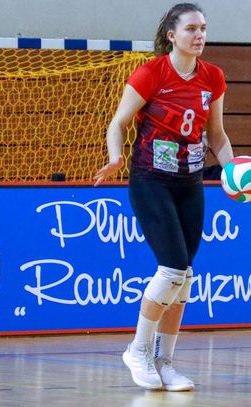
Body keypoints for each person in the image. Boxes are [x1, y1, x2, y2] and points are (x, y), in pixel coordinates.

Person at [93, 3, 233, 391]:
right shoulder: (151, 73)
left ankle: (164, 362)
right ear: (172, 35)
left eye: (203, 28)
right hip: (151, 180)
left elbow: (216, 135)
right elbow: (118, 123)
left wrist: (233, 171)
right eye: (191, 29)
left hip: (190, 183)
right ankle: (137, 350)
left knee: (185, 276)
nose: (199, 35)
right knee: (171, 269)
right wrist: (115, 157)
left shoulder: (213, 77)